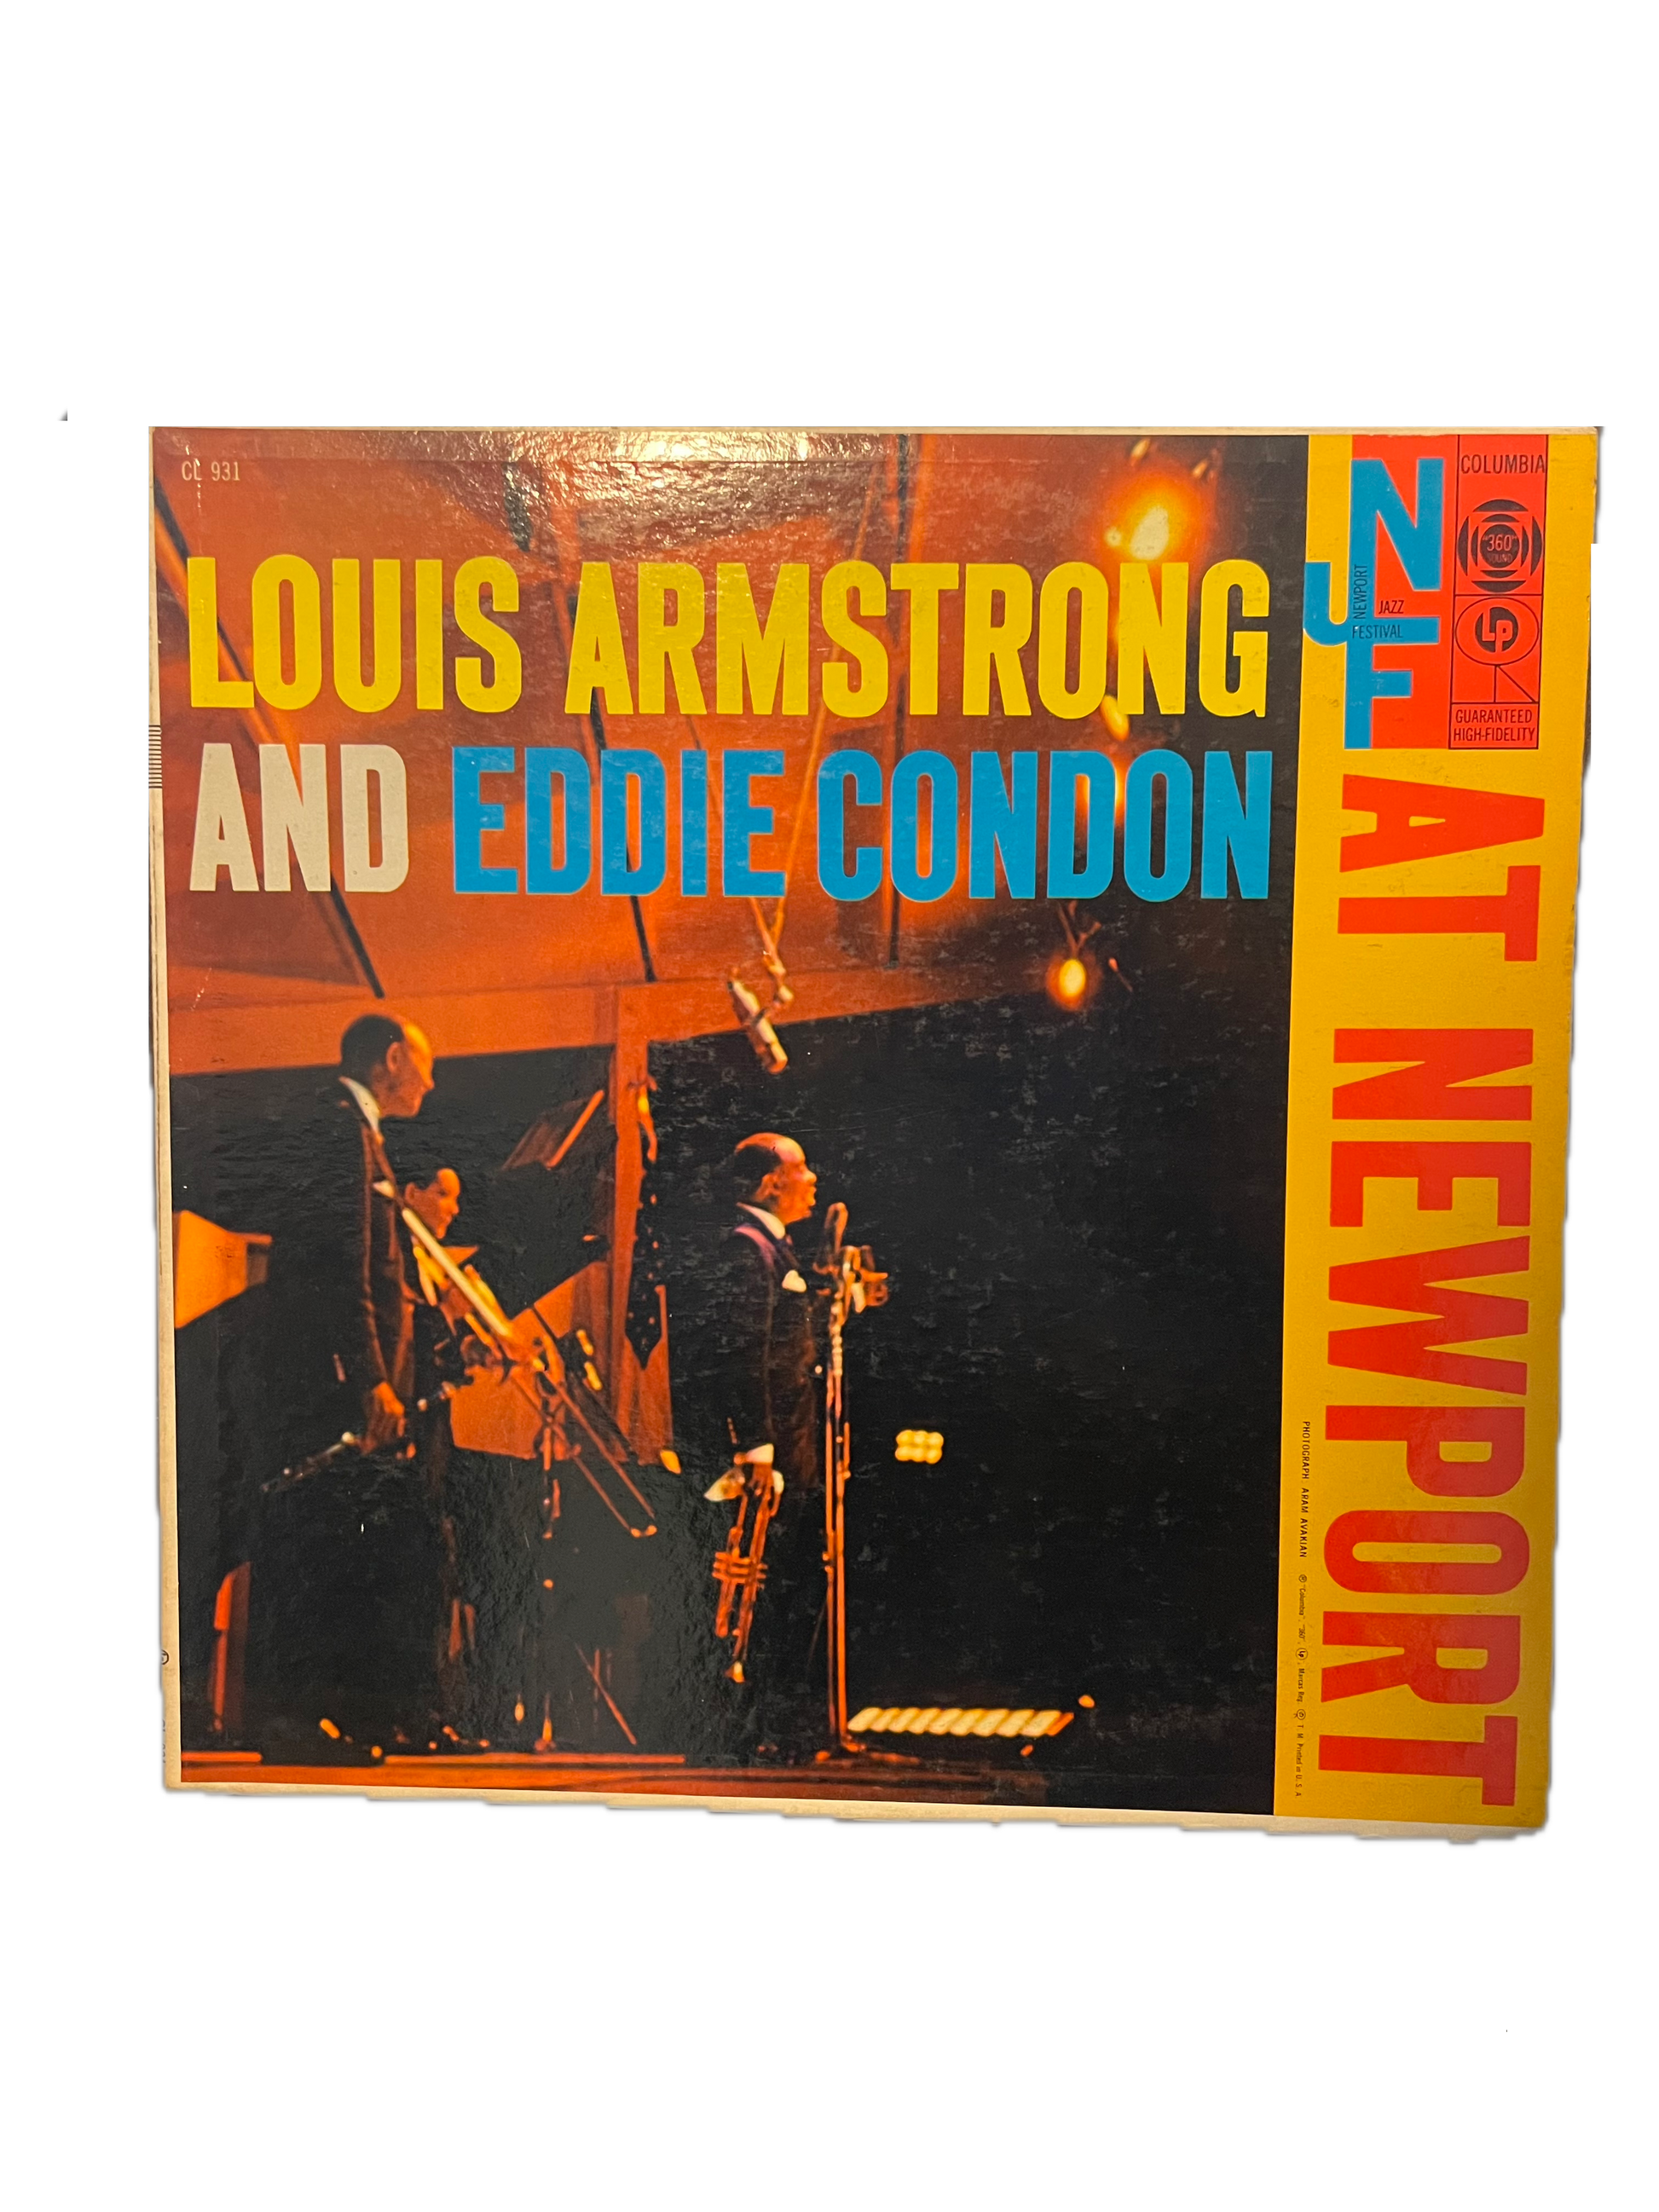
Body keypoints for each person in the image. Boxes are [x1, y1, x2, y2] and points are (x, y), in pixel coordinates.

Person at [251, 1013, 441, 1759]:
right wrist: (371, 1380)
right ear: (392, 1058)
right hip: (336, 1386)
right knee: (318, 1545)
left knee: (337, 1548)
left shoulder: (358, 1134)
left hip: (344, 1382)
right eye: (425, 1063)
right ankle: (297, 1721)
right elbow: (346, 1269)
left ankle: (325, 1716)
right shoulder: (342, 1130)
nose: (431, 1081)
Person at [696, 1131, 825, 1758]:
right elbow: (744, 1351)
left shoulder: (775, 1247)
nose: (813, 1178)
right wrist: (755, 1445)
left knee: (780, 1585)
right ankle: (744, 1727)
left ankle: (767, 1726)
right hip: (772, 1450)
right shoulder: (747, 1249)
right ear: (772, 1182)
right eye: (802, 1168)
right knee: (758, 1586)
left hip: (790, 1445)